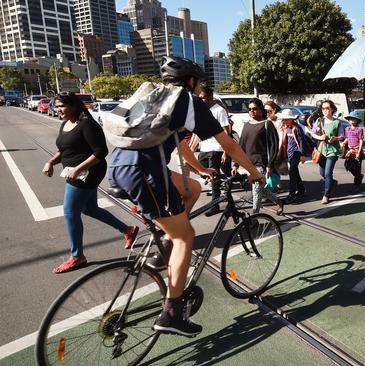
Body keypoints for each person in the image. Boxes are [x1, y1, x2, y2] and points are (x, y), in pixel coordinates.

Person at [109, 56, 264, 337]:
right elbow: (227, 142)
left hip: (120, 165)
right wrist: (253, 172)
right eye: (199, 83)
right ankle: (171, 313)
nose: (199, 88)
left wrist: (202, 169)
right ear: (192, 81)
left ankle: (162, 248)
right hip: (144, 171)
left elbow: (180, 146)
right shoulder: (187, 100)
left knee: (191, 189)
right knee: (185, 236)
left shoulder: (151, 96)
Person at [42, 93, 139, 274]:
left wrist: (77, 169)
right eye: (56, 106)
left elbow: (100, 151)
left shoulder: (87, 124)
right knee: (90, 208)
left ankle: (77, 257)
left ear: (73, 105)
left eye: (61, 106)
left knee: (70, 212)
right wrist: (50, 162)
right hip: (74, 172)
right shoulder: (66, 123)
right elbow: (64, 150)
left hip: (88, 173)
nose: (57, 109)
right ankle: (128, 229)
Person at [235, 98, 285, 215]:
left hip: (261, 163)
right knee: (260, 188)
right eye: (250, 109)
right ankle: (279, 201)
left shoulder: (267, 124)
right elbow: (241, 145)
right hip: (249, 163)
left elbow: (274, 145)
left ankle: (254, 217)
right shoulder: (247, 125)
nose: (252, 111)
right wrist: (236, 164)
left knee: (256, 191)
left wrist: (270, 164)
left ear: (261, 110)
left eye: (255, 109)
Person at [196, 84, 231, 216]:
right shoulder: (201, 110)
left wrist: (225, 151)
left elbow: (226, 132)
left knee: (213, 177)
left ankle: (215, 205)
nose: (201, 100)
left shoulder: (218, 110)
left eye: (203, 98)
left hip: (216, 148)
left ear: (210, 97)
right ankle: (227, 186)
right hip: (204, 147)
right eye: (199, 98)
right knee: (203, 172)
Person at [311, 100, 345, 204]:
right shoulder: (319, 121)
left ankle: (326, 195)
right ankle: (332, 182)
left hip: (333, 151)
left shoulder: (337, 122)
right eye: (323, 108)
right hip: (322, 149)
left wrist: (336, 138)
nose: (325, 110)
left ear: (332, 109)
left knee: (328, 172)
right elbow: (312, 133)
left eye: (327, 108)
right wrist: (320, 137)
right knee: (322, 173)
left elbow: (342, 136)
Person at [277, 108, 310, 203]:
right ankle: (301, 189)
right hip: (289, 153)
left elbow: (302, 141)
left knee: (292, 173)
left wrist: (303, 154)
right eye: (284, 119)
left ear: (292, 119)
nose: (285, 120)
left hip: (296, 153)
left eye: (287, 119)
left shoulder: (297, 128)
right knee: (295, 172)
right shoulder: (286, 128)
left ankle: (292, 194)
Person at [342, 111, 365, 191]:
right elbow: (347, 138)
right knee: (347, 165)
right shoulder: (347, 129)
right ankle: (359, 176)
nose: (352, 120)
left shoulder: (359, 129)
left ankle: (356, 184)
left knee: (357, 168)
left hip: (357, 150)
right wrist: (344, 142)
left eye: (353, 119)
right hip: (350, 150)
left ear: (357, 120)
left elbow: (361, 141)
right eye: (350, 119)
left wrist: (359, 152)